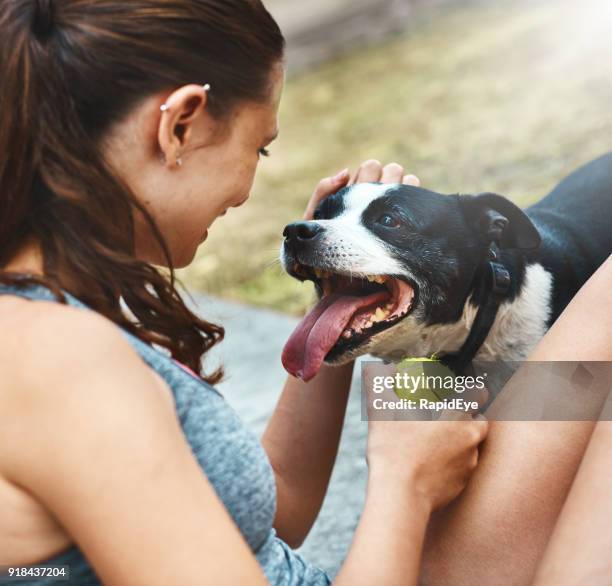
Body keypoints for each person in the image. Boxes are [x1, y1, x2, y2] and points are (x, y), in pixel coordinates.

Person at [0, 2, 488, 585]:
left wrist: (344, 297)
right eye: (259, 147)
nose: (249, 188)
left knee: (571, 388)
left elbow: (267, 512)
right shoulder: (61, 364)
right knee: (584, 367)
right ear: (182, 124)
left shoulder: (54, 312)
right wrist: (403, 484)